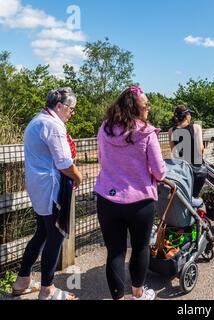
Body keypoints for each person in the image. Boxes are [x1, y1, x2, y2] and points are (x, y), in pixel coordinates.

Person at [95, 86, 166, 300]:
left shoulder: (104, 129)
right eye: (146, 105)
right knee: (140, 247)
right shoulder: (146, 133)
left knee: (115, 252)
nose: (149, 108)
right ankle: (137, 294)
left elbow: (101, 158)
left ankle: (117, 297)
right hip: (140, 201)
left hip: (107, 199)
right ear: (136, 108)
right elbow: (159, 171)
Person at [12, 88, 82, 300]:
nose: (72, 113)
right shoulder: (52, 125)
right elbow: (64, 163)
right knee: (56, 236)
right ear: (59, 106)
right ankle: (47, 290)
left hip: (39, 187)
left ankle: (22, 280)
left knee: (42, 233)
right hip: (51, 189)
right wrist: (78, 177)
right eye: (71, 109)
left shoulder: (38, 119)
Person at [169, 106, 206, 205]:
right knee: (194, 196)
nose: (190, 116)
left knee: (185, 198)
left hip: (183, 170)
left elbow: (173, 152)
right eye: (190, 114)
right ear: (186, 116)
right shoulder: (196, 127)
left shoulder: (171, 131)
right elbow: (200, 148)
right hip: (197, 170)